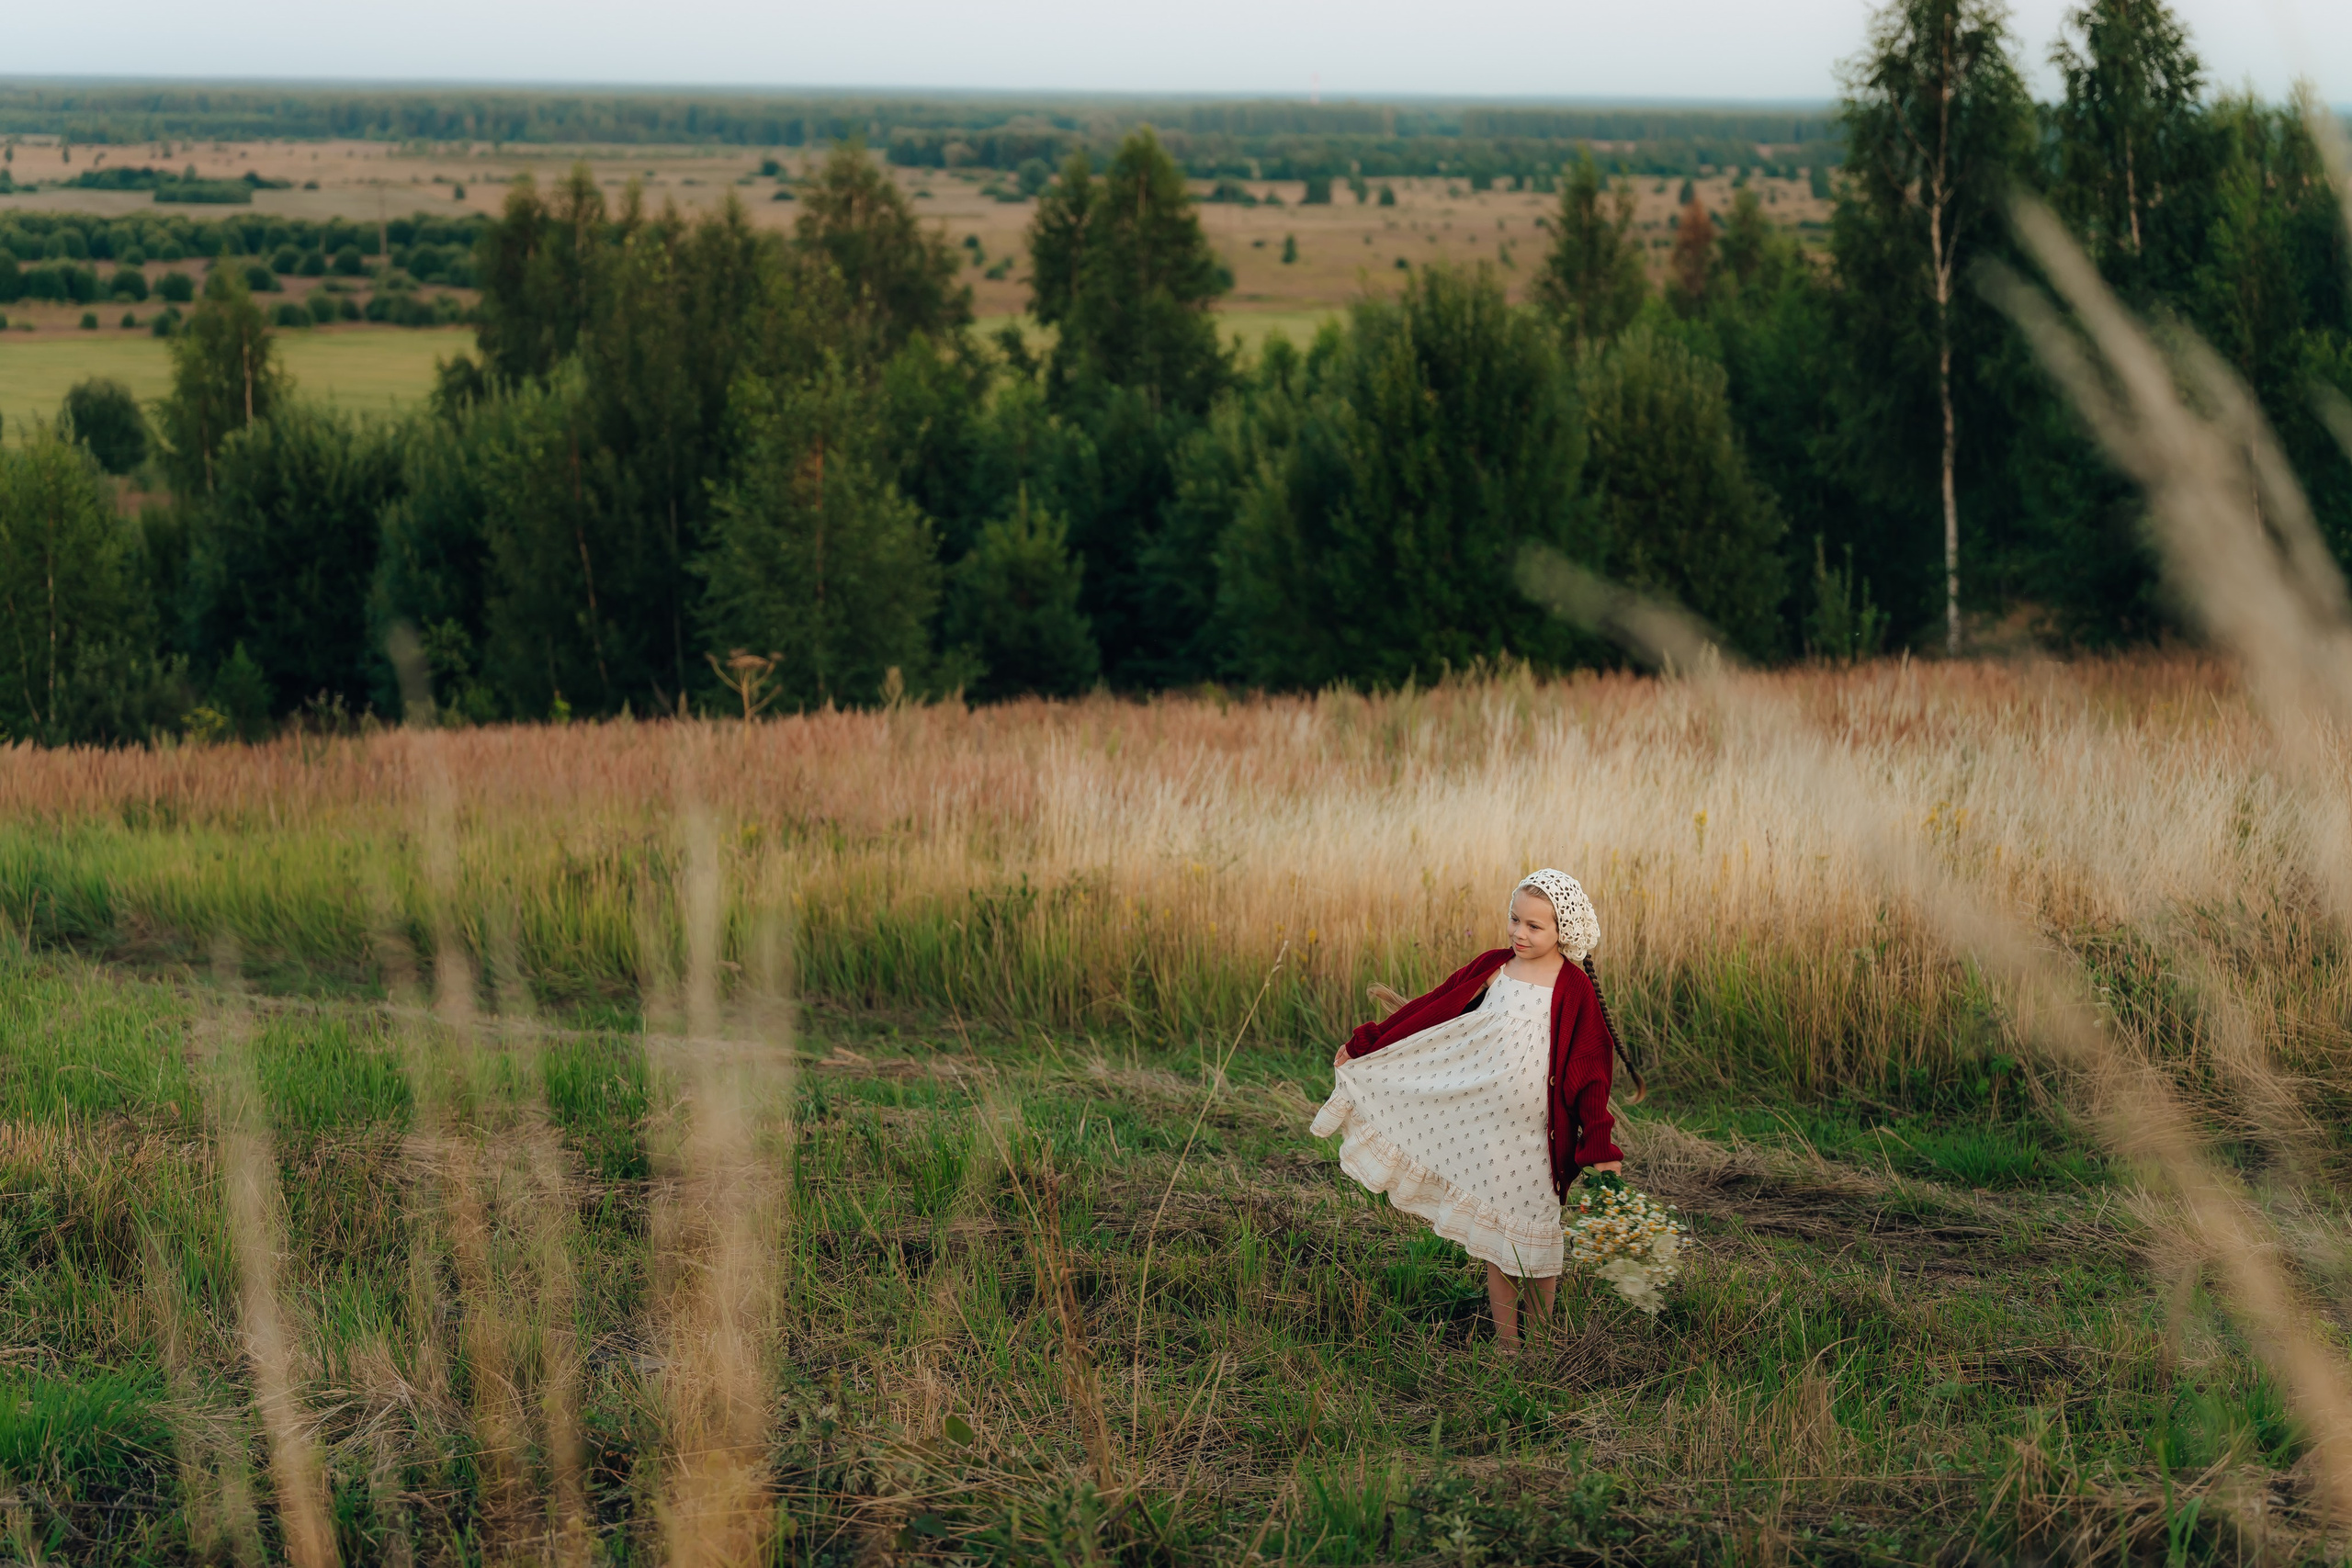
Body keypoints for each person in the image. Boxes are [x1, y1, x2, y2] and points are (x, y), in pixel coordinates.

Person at [1309, 869, 1637, 1350]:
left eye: (1534, 926)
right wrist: (1369, 1044)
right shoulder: (1496, 966)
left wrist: (1599, 1141)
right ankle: (1508, 1345)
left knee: (1538, 1237)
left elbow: (1590, 1073)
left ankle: (1543, 1345)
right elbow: (1432, 1008)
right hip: (1486, 1126)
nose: (1519, 933)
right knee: (1497, 1238)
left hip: (1539, 1139)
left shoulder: (1573, 989)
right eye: (1514, 920)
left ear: (1562, 931)